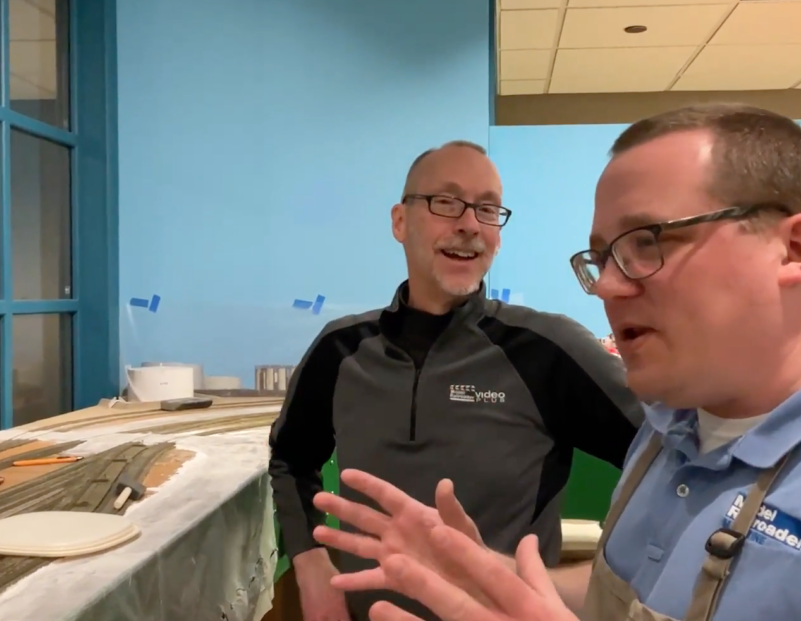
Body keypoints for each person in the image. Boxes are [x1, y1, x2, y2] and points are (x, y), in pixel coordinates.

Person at [309, 104, 801, 621]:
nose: (609, 287)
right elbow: (627, 590)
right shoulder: (669, 429)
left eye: (647, 243)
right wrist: (483, 572)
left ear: (793, 249)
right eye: (602, 258)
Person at [268, 140, 643, 621]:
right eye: (446, 202)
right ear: (400, 222)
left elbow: (670, 460)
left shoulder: (547, 350)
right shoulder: (340, 350)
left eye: (487, 209)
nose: (469, 223)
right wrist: (310, 563)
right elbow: (291, 458)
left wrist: (606, 584)